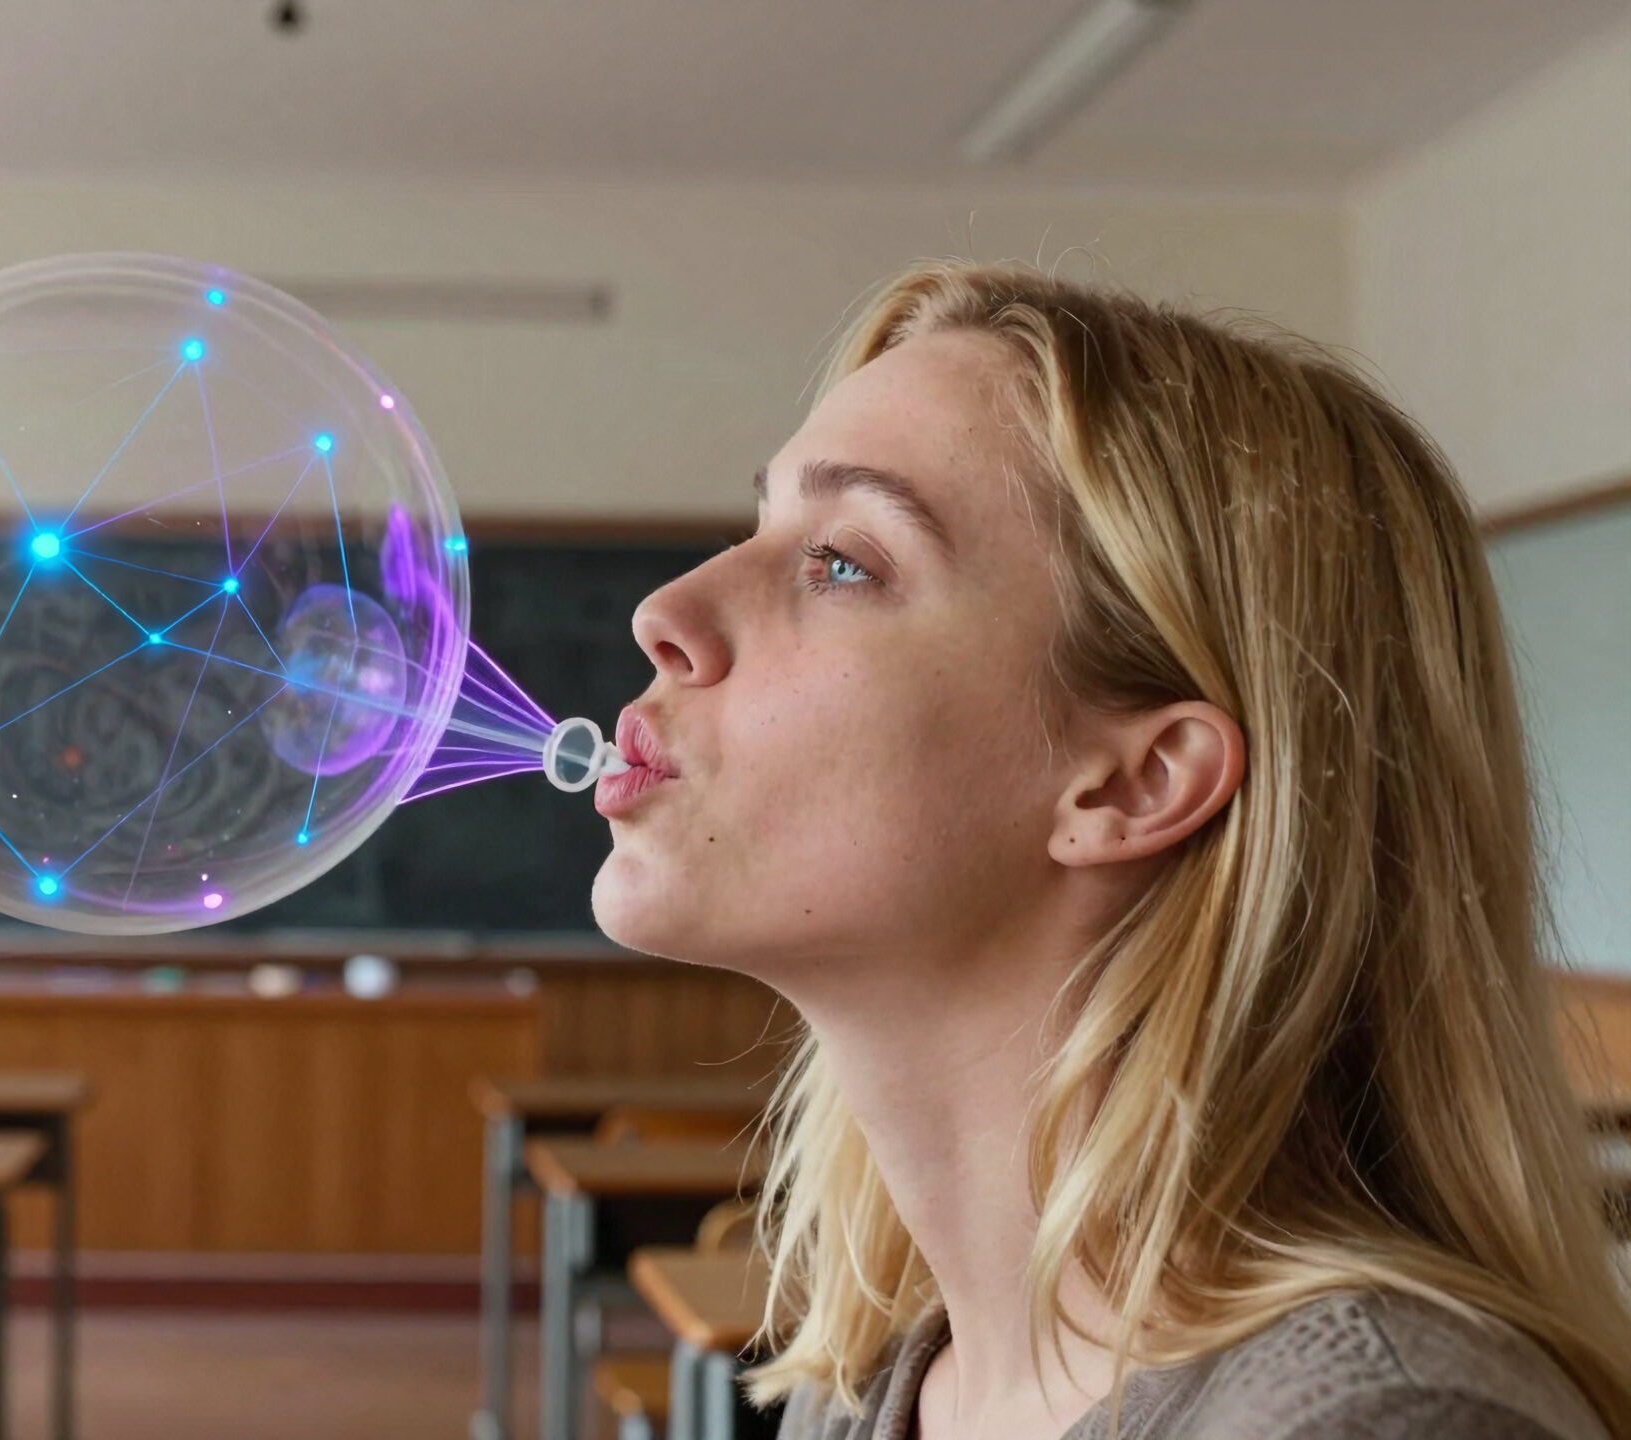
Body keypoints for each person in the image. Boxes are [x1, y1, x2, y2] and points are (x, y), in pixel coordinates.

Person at [590, 261, 1631, 1440]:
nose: (662, 612)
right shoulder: (882, 1383)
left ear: (1136, 783)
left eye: (843, 562)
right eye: (762, 524)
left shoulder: (1383, 1424)